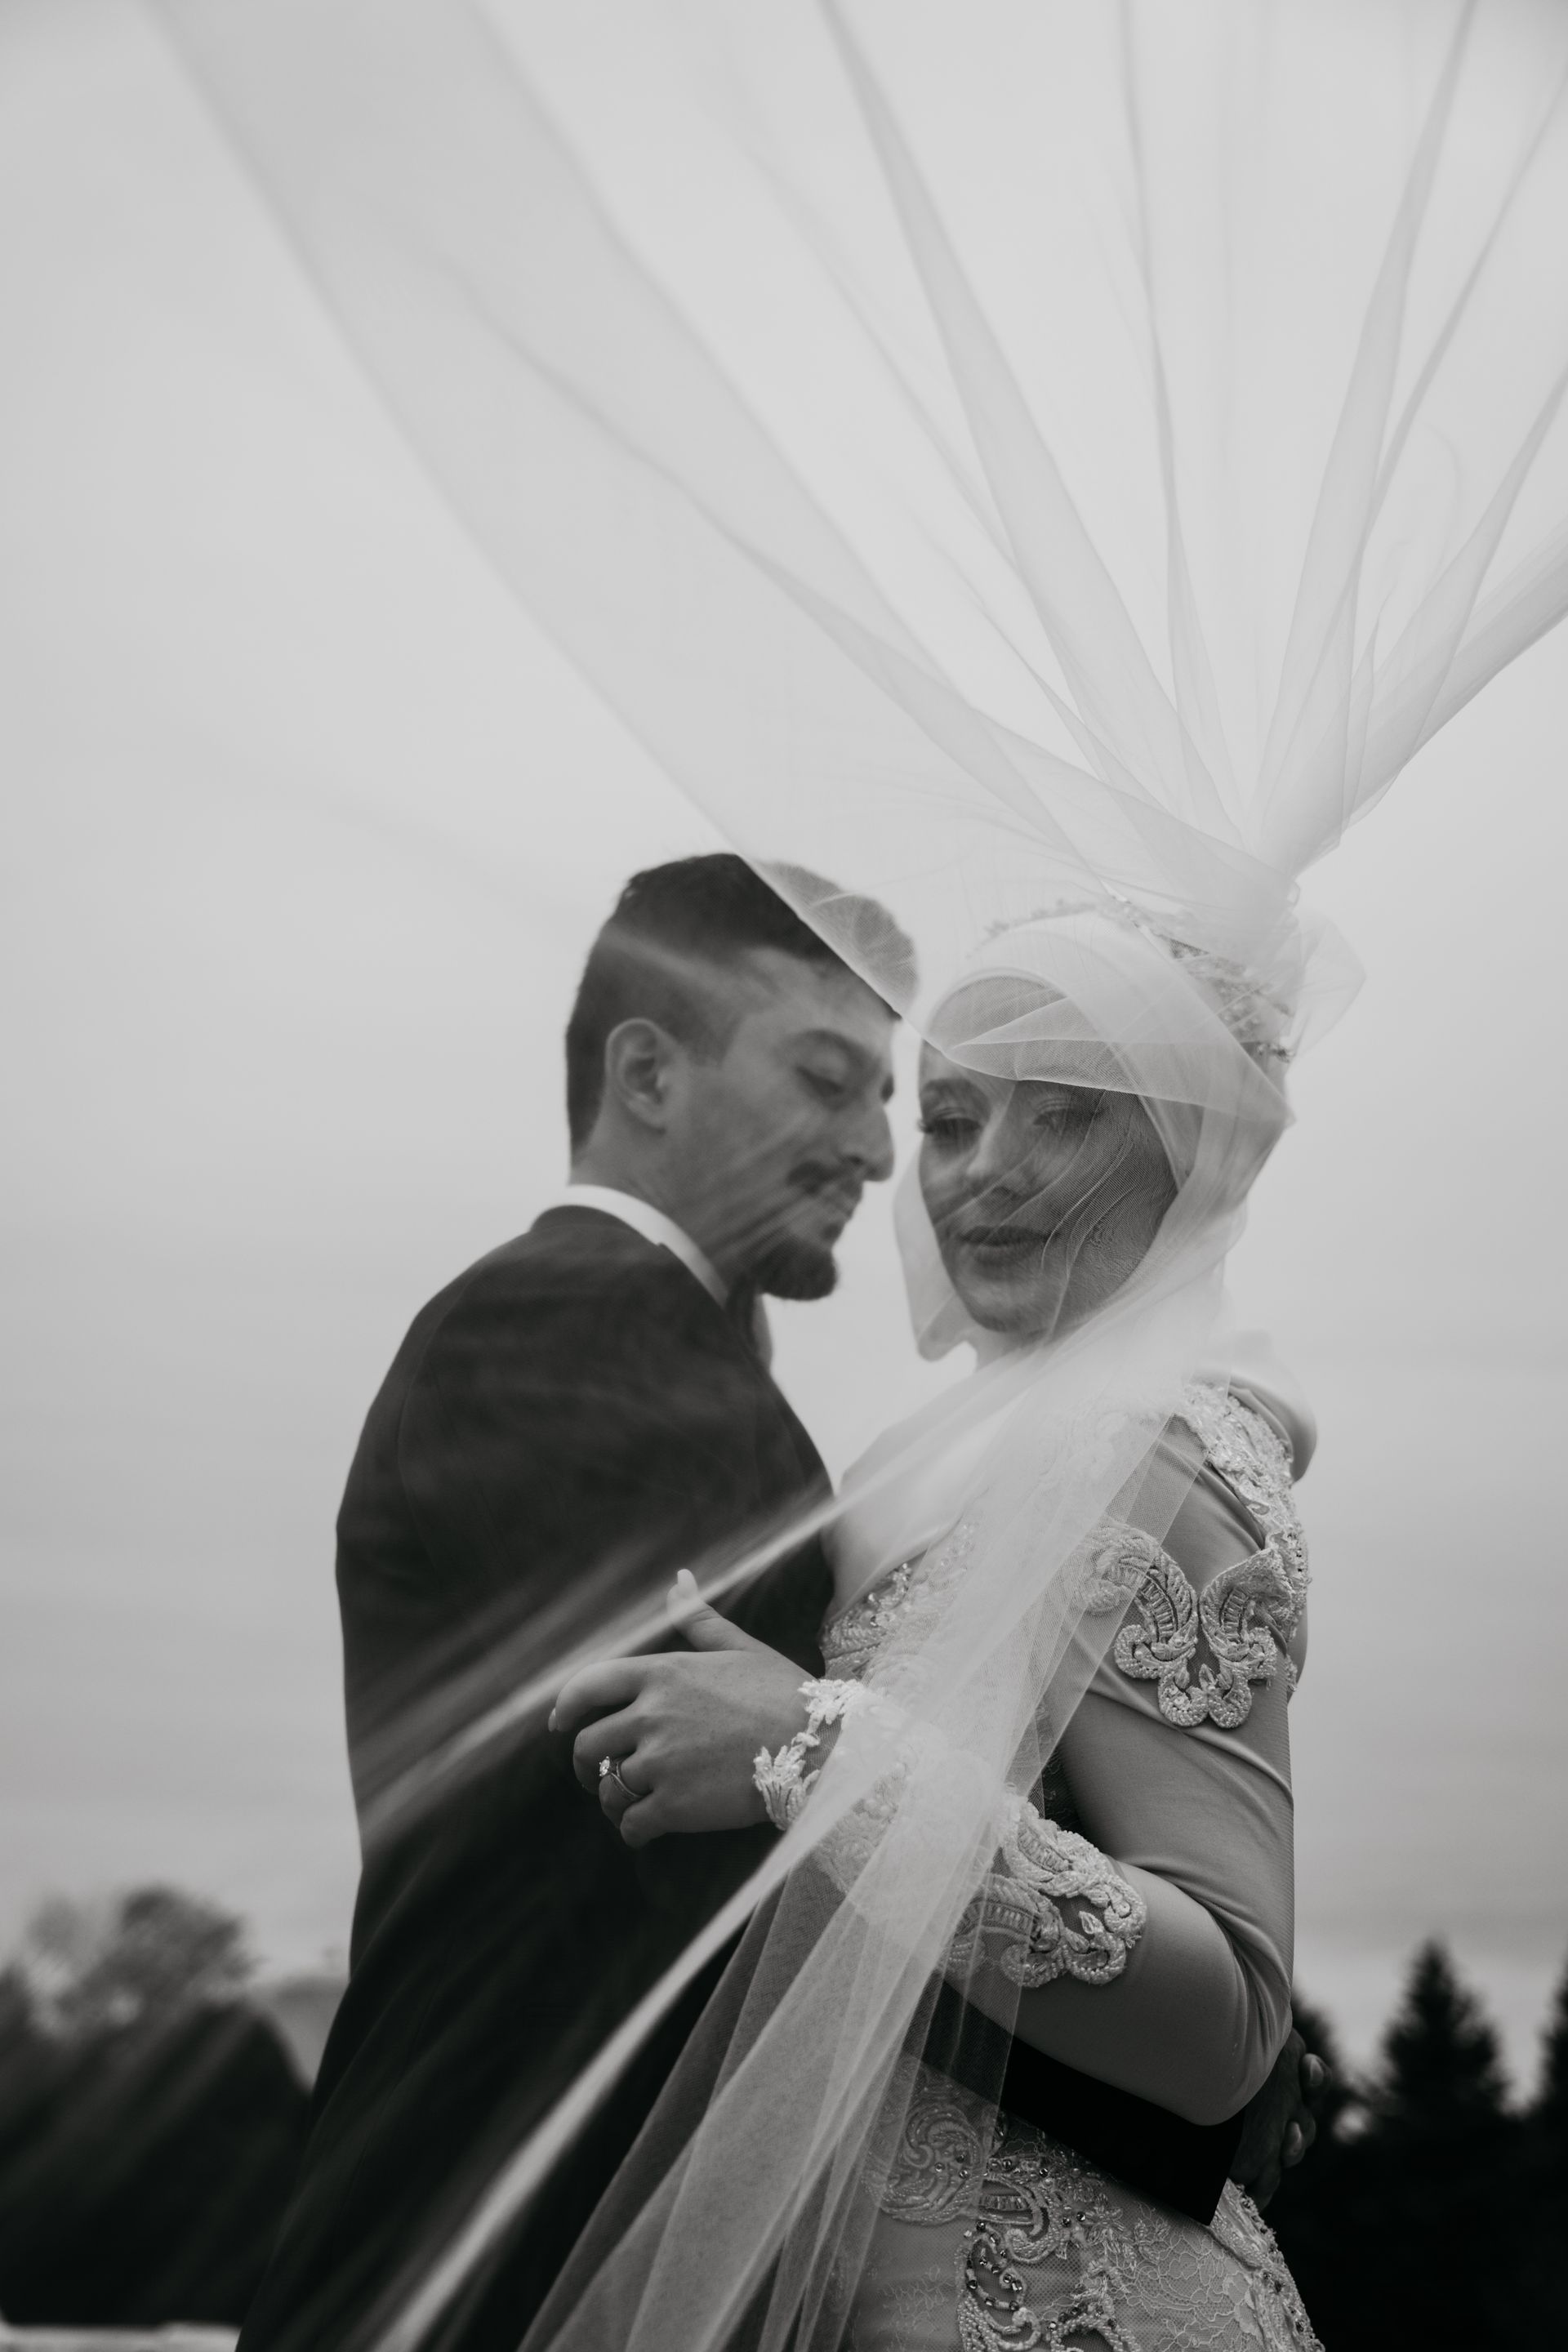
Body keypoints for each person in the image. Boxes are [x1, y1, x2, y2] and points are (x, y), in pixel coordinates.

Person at [550, 913, 1325, 2350]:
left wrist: (807, 1746)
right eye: (954, 1119)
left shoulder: (1162, 1450)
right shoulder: (928, 1467)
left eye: (1069, 1116)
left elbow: (1227, 2022)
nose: (987, 1174)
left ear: (1192, 1151)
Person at [236, 853, 902, 2351]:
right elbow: (727, 1871)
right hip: (506, 2267)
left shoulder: (652, 1345)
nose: (876, 1146)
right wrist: (1123, 2031)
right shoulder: (566, 1330)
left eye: (887, 1099)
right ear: (650, 1074)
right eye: (826, 1077)